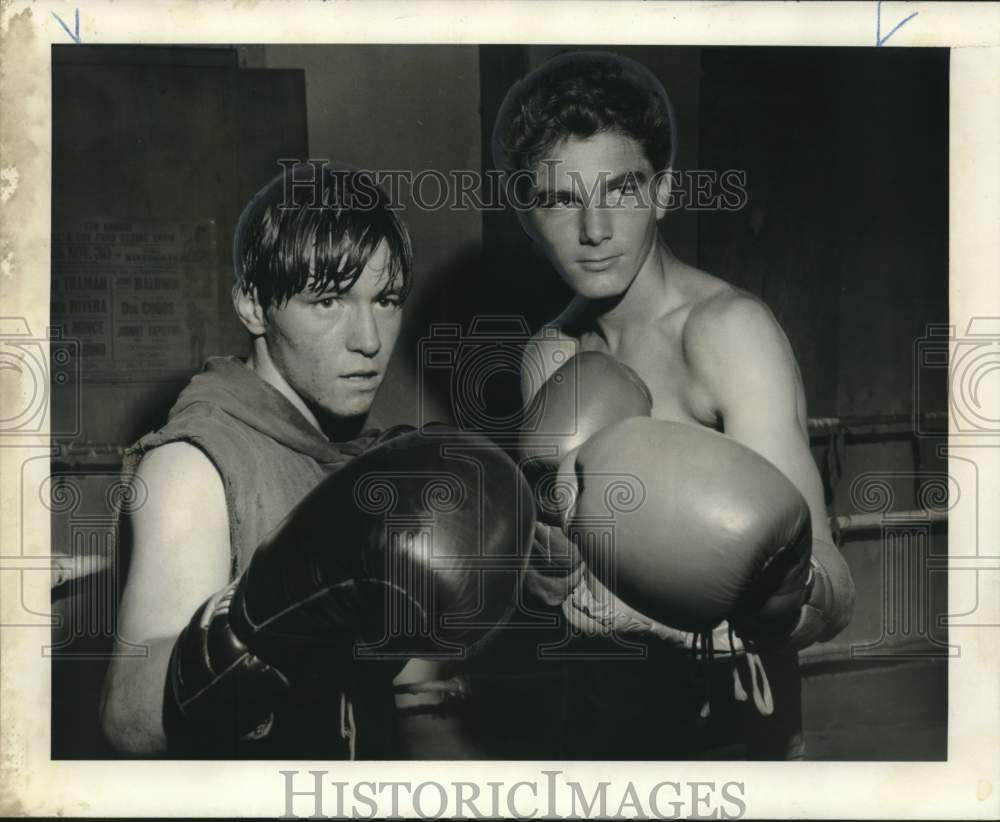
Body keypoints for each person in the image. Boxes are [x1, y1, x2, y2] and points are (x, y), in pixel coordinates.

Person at [492, 51, 855, 759]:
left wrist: (784, 593)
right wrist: (538, 569)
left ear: (662, 193)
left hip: (728, 711)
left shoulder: (726, 333)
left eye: (620, 192)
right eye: (562, 200)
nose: (594, 229)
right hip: (595, 712)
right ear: (526, 213)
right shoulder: (548, 355)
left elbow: (832, 587)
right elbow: (553, 582)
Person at [100, 162, 531, 758]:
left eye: (385, 300)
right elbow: (129, 718)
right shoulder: (194, 466)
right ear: (253, 306)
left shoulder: (355, 454)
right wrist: (261, 621)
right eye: (326, 301)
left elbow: (392, 689)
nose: (370, 339)